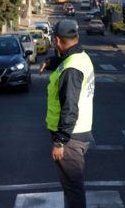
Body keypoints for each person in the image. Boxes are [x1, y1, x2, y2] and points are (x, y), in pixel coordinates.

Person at [39, 20, 95, 208]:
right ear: (76, 37)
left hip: (70, 137)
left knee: (73, 188)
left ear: (57, 40)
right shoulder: (81, 57)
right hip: (80, 132)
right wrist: (51, 62)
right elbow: (66, 61)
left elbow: (70, 107)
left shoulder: (71, 69)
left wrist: (60, 141)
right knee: (72, 187)